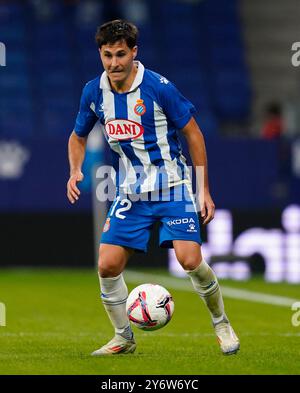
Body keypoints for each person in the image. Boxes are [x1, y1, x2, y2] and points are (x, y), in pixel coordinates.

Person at [67, 19, 240, 356]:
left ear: (134, 52)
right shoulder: (93, 91)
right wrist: (75, 170)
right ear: (100, 55)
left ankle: (221, 322)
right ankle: (123, 337)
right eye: (107, 55)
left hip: (172, 187)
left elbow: (194, 134)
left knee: (190, 260)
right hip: (130, 194)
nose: (114, 63)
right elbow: (77, 136)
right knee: (106, 265)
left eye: (120, 54)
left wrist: (202, 190)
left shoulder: (159, 88)